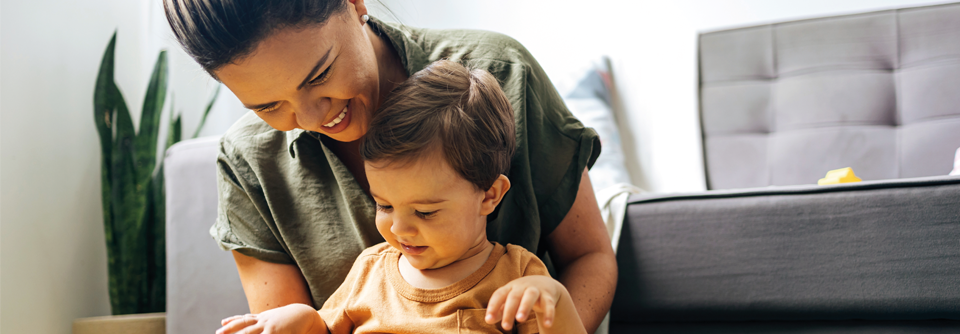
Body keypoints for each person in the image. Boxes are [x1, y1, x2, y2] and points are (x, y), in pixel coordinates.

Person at [163, 1, 617, 332]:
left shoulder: (503, 73)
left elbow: (589, 257)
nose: (312, 119)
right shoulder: (248, 162)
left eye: (319, 75)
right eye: (267, 105)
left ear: (355, 4)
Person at [217, 60, 587, 334]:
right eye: (384, 205)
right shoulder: (369, 271)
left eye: (425, 212)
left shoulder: (517, 277)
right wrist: (298, 320)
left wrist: (554, 297)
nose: (398, 228)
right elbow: (325, 330)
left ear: (490, 195)